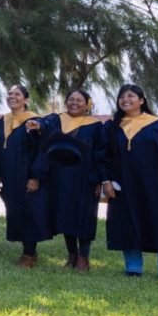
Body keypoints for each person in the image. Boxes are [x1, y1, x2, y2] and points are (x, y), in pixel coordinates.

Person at [102, 84, 158, 279]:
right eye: (122, 97)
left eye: (131, 96)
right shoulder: (112, 127)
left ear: (141, 100)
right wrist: (106, 180)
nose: (126, 100)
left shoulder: (157, 125)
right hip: (123, 184)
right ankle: (133, 267)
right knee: (127, 222)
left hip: (155, 184)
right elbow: (103, 156)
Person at [29, 88, 108, 271]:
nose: (74, 103)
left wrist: (99, 179)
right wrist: (37, 125)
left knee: (85, 215)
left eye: (79, 100)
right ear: (66, 102)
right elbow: (44, 124)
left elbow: (101, 154)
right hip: (60, 176)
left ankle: (83, 256)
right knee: (65, 214)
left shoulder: (96, 126)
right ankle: (72, 254)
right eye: (71, 99)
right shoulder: (57, 119)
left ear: (87, 104)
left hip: (85, 178)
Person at [0, 85, 48, 267]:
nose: (12, 96)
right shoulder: (2, 121)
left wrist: (35, 176)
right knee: (15, 212)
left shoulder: (34, 122)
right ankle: (29, 249)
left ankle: (29, 254)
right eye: (9, 94)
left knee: (29, 212)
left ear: (26, 99)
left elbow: (41, 150)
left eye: (17, 94)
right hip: (9, 176)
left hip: (26, 174)